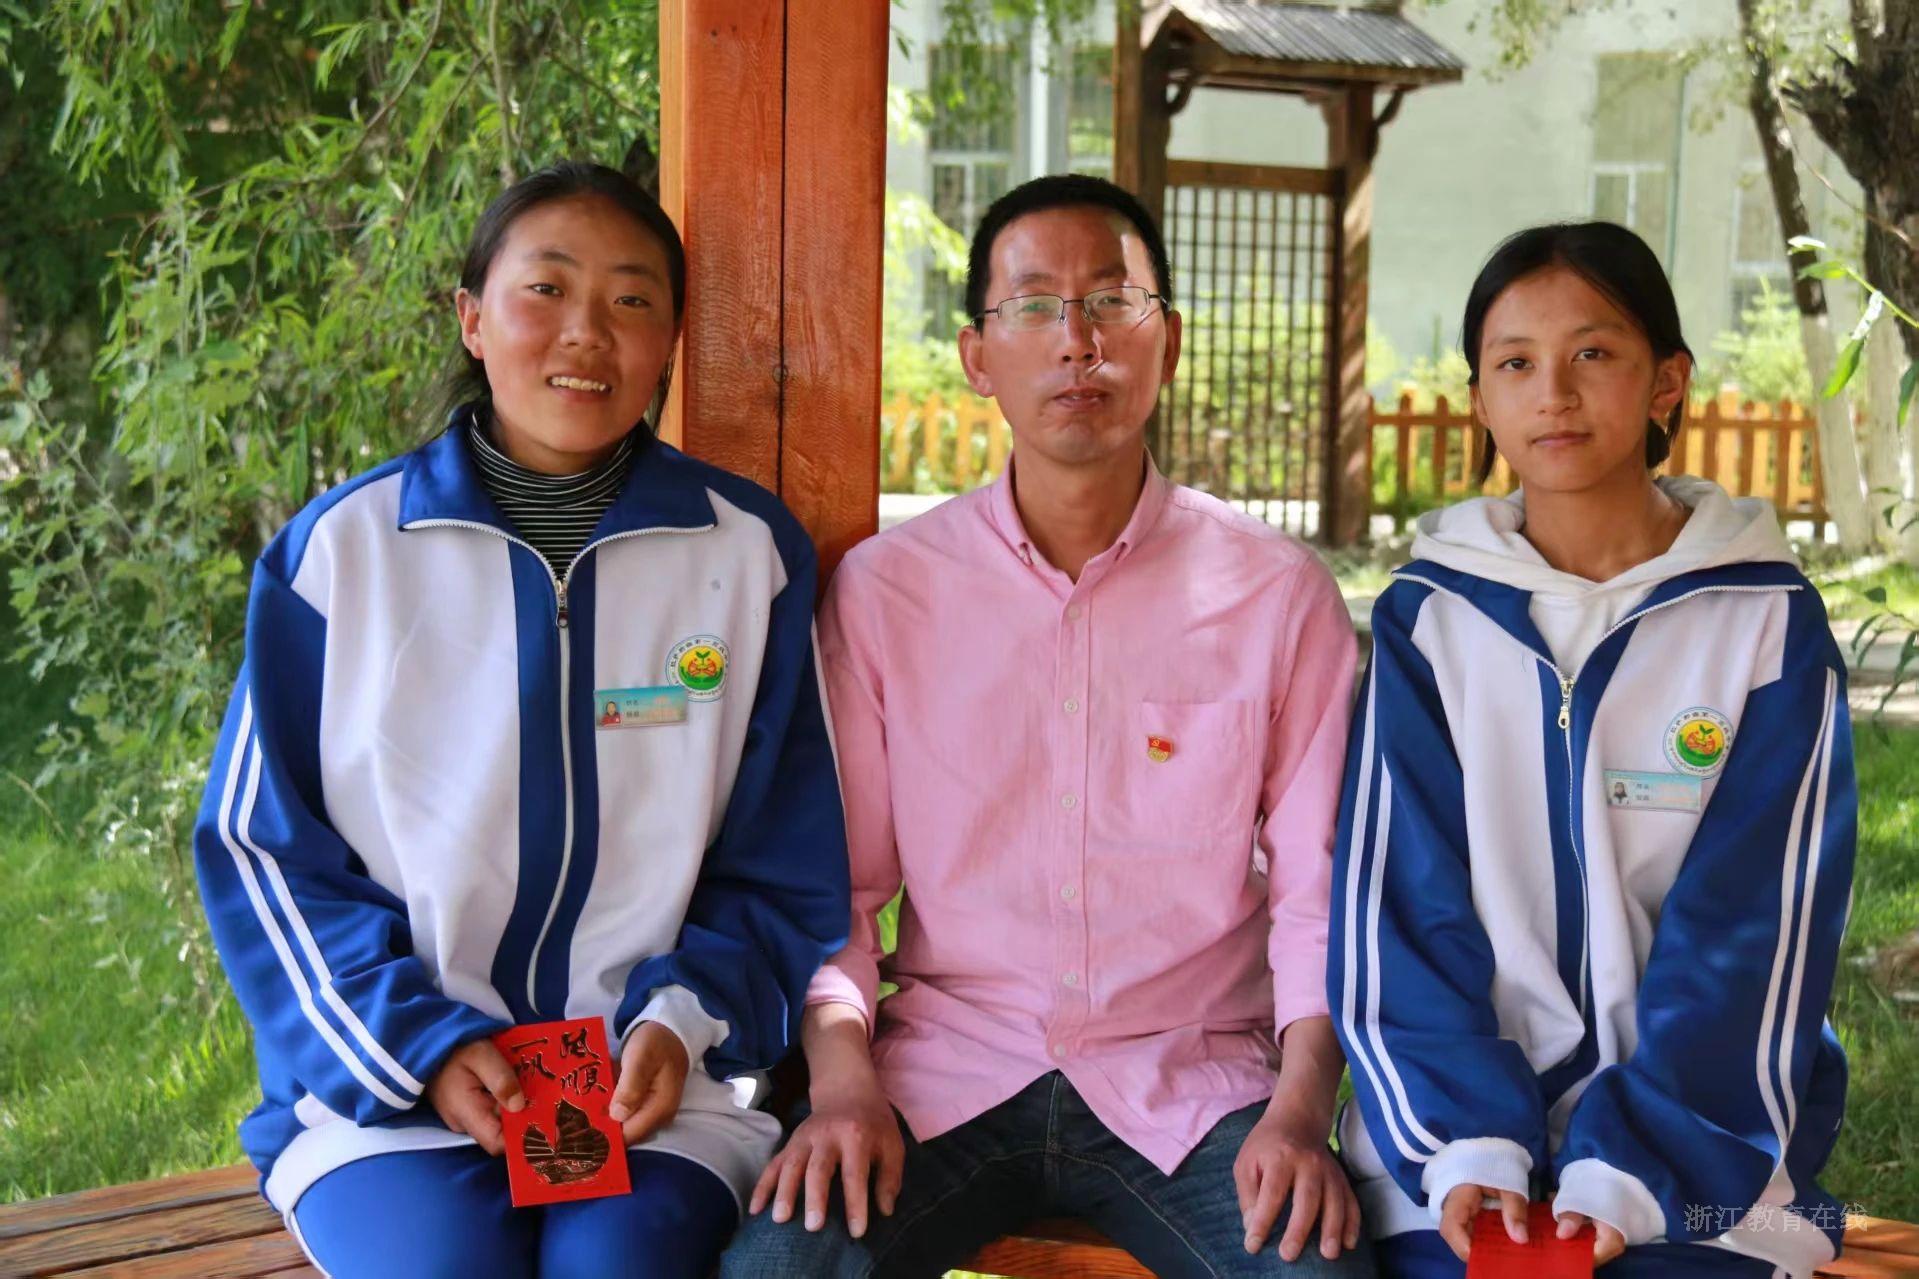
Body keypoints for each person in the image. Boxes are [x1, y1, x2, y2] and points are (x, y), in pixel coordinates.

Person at [192, 161, 849, 1278]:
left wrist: (677, 1020)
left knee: (617, 1267)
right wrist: (420, 1044)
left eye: (631, 299)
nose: (586, 332)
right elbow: (261, 854)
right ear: (471, 317)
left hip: (656, 1086)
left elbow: (781, 865)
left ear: (668, 342)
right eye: (545, 289)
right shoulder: (343, 554)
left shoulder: (748, 556)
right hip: (393, 1085)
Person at [721, 173, 1372, 1278]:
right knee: (778, 1268)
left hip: (1194, 1083)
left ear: (1167, 340)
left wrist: (1302, 1113)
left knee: (1314, 1269)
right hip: (944, 1073)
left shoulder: (1273, 594)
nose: (1079, 341)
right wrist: (839, 1085)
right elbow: (840, 891)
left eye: (1113, 301)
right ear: (978, 356)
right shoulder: (887, 593)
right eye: (1034, 305)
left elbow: (1316, 899)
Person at [1329, 222, 1856, 1278]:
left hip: (1699, 1147)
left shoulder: (1762, 624)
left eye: (1592, 353)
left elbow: (1753, 933)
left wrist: (1628, 1171)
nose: (1553, 395)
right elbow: (1398, 909)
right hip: (1453, 1148)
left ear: (1667, 382)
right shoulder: (1430, 620)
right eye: (1514, 363)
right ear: (1479, 400)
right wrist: (1466, 1148)